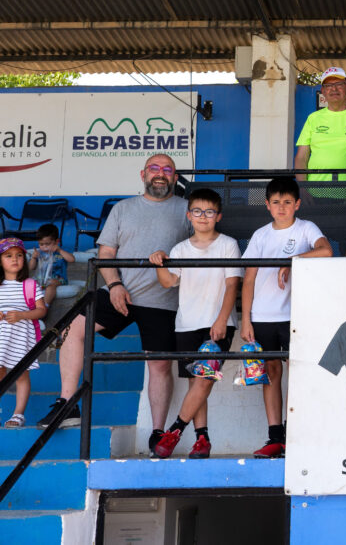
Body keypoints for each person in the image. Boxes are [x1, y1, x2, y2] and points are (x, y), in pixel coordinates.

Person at [39, 154, 190, 447]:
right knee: (72, 329)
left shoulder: (186, 210)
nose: (160, 174)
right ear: (143, 173)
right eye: (154, 169)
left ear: (174, 177)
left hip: (163, 298)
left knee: (158, 365)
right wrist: (116, 285)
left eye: (167, 169)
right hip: (121, 292)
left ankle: (157, 433)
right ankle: (68, 404)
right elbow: (106, 255)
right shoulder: (123, 208)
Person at [241, 177, 332, 458]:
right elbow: (249, 279)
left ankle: (298, 435)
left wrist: (291, 261)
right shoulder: (260, 235)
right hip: (263, 315)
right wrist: (246, 319)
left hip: (296, 315)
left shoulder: (306, 228)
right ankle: (275, 437)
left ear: (298, 204)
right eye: (276, 202)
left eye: (288, 202)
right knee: (270, 372)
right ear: (267, 205)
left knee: (300, 371)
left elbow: (326, 250)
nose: (282, 208)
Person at [148, 188, 243, 459]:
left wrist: (223, 319)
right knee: (196, 384)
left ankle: (174, 431)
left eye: (209, 212)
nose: (203, 217)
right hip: (186, 324)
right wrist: (158, 262)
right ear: (189, 215)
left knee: (203, 381)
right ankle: (202, 439)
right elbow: (168, 282)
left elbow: (232, 283)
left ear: (218, 216)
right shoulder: (180, 248)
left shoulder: (228, 244)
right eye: (198, 211)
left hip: (217, 324)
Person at [294, 67, 346, 182]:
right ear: (323, 91)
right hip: (315, 190)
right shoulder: (313, 118)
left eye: (339, 84)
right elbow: (301, 157)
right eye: (328, 85)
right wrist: (303, 187)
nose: (334, 89)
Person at [0, 238, 47, 429]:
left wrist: (21, 315)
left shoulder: (30, 285)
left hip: (21, 336)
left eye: (19, 255)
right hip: (1, 337)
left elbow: (41, 310)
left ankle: (18, 414)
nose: (15, 259)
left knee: (21, 375)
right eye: (8, 256)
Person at [29, 223, 75, 308]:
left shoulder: (60, 252)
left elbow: (72, 259)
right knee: (29, 284)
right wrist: (33, 258)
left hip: (58, 279)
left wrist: (60, 250)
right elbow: (31, 268)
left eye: (48, 244)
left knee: (50, 285)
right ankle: (30, 305)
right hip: (41, 279)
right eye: (41, 244)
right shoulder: (39, 252)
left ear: (57, 241)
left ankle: (45, 306)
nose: (44, 247)